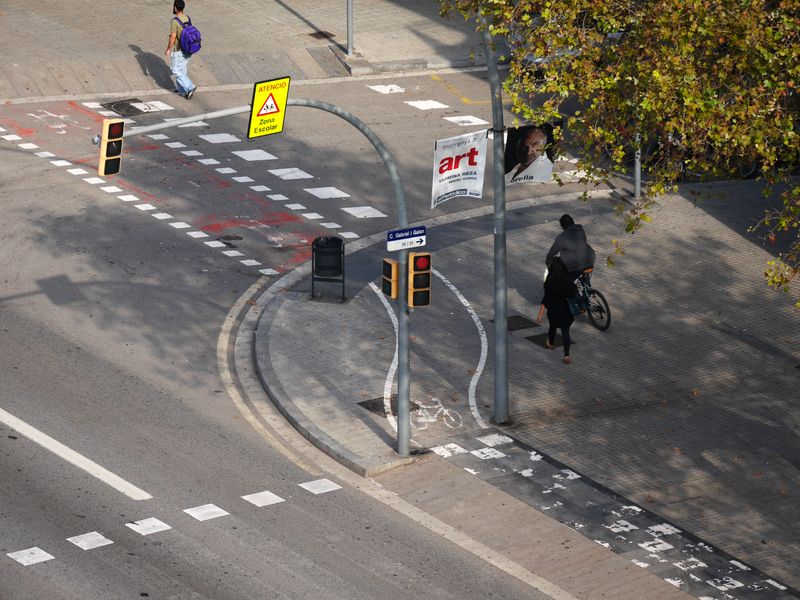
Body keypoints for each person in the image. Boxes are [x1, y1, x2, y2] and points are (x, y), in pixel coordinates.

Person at [536, 256, 575, 364]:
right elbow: (573, 293)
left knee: (552, 327)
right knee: (565, 332)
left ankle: (551, 343)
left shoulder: (549, 282)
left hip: (553, 310)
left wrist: (540, 314)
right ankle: (567, 355)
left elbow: (546, 299)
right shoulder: (568, 280)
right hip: (565, 310)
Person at [165, 0, 197, 99]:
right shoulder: (187, 18)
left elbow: (173, 37)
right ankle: (182, 91)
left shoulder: (175, 21)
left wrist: (168, 49)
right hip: (189, 49)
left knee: (175, 70)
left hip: (179, 50)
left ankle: (190, 87)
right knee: (182, 70)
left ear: (175, 8)